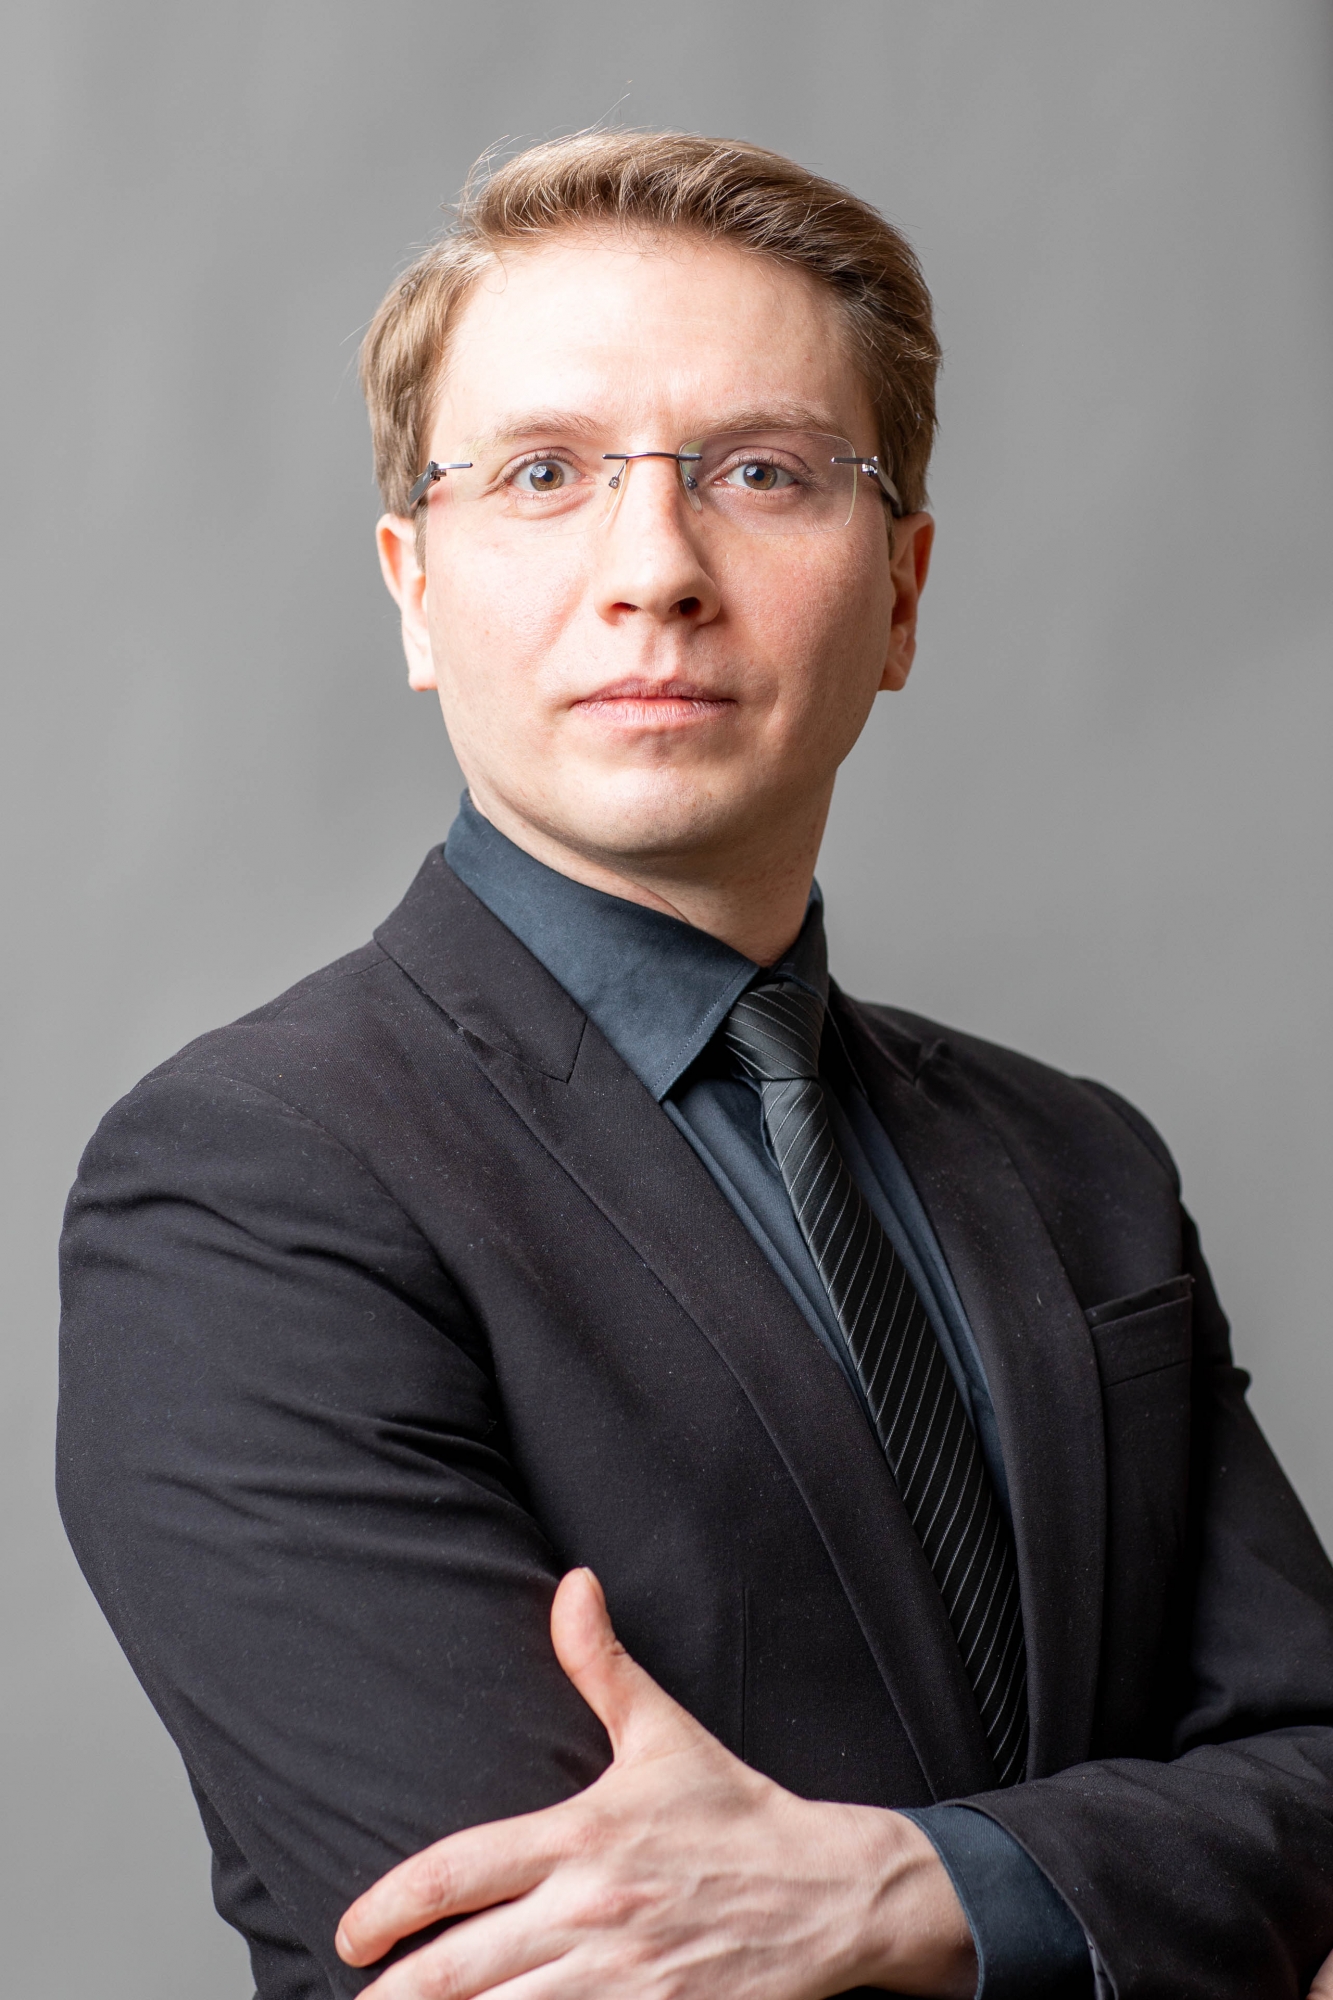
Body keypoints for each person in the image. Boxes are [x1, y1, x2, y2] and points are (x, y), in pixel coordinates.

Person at [56, 131, 1333, 2000]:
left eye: (760, 472)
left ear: (900, 594)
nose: (653, 570)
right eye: (543, 474)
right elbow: (536, 1963)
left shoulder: (1081, 1164)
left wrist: (899, 1893)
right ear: (413, 588)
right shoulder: (246, 1187)